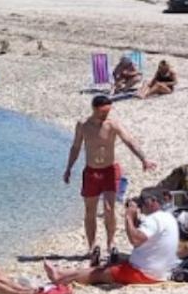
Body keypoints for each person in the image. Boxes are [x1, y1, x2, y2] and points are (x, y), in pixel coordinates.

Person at [63, 94, 158, 265]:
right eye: (102, 112)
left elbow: (129, 140)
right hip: (91, 172)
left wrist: (144, 159)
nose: (105, 115)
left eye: (108, 111)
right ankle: (92, 246)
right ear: (94, 109)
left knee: (109, 208)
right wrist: (68, 168)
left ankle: (111, 243)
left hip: (109, 171)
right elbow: (76, 147)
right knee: (90, 211)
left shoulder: (112, 124)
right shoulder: (83, 126)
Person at [44, 192, 179, 286]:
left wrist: (128, 217)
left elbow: (135, 240)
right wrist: (134, 218)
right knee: (112, 263)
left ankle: (60, 277)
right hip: (159, 271)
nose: (141, 207)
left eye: (143, 203)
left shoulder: (154, 220)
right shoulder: (166, 217)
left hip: (145, 274)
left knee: (99, 273)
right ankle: (64, 272)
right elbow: (145, 236)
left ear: (153, 202)